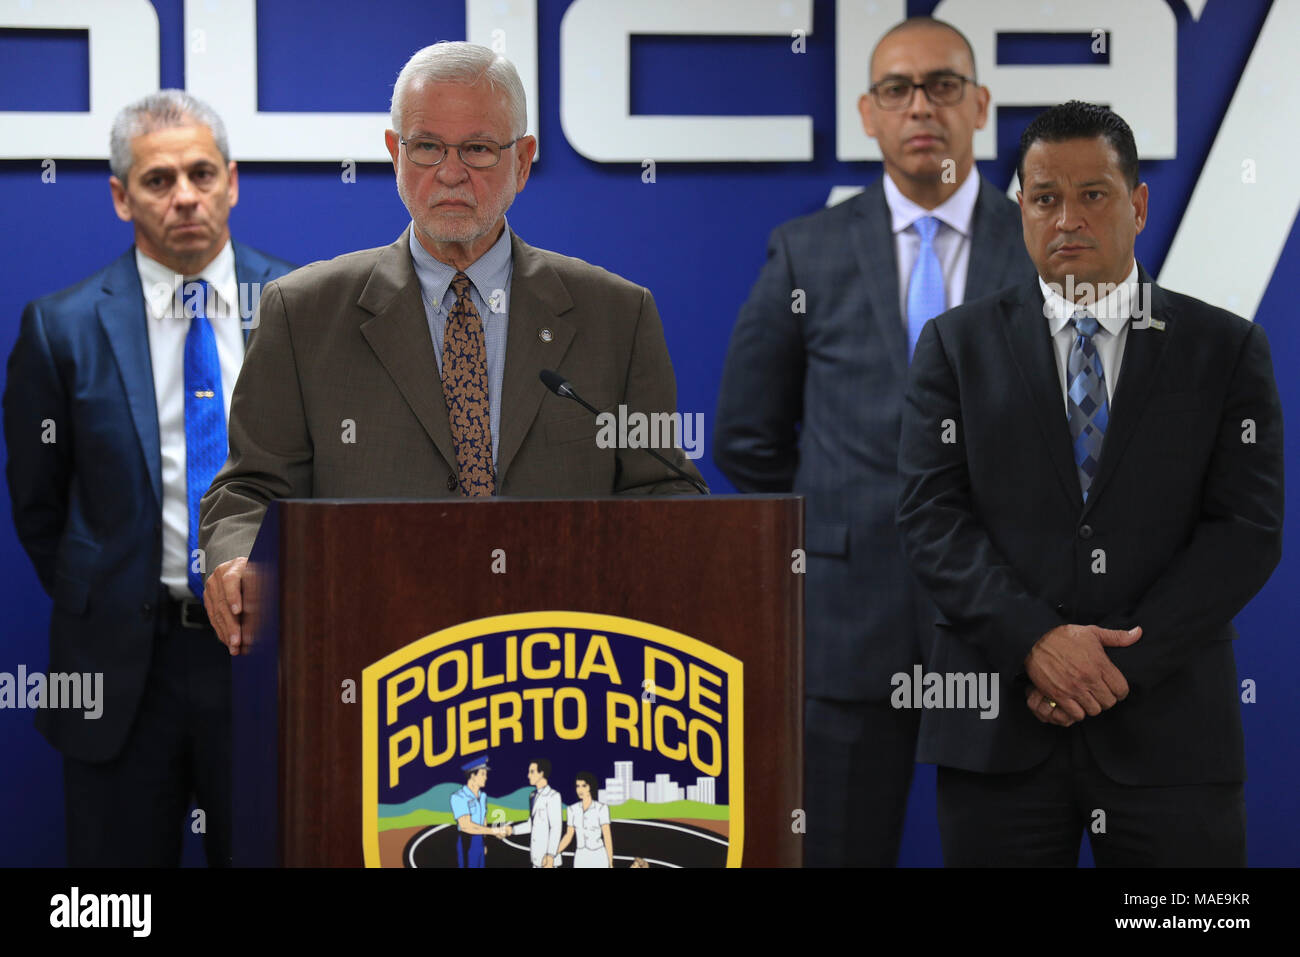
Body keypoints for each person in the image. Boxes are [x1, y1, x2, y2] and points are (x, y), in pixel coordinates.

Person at [199, 41, 703, 647]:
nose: (450, 171)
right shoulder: (302, 312)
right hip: (369, 648)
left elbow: (662, 489)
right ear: (395, 154)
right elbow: (249, 489)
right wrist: (236, 557)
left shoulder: (617, 316)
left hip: (559, 655)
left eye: (478, 149)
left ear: (523, 161)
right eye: (427, 147)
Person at [896, 100, 1284, 866]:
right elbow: (930, 518)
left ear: (1138, 204)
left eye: (1093, 194)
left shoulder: (1225, 348)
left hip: (1172, 736)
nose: (1067, 218)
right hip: (999, 732)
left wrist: (1108, 670)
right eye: (1045, 198)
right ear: (1021, 210)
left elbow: (1246, 532)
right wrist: (1034, 643)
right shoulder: (954, 346)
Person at [712, 16, 1035, 867]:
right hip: (848, 625)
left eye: (943, 85)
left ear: (981, 105)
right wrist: (838, 524)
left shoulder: (1041, 244)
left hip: (1009, 620)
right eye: (897, 89)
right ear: (868, 112)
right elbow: (746, 437)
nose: (920, 106)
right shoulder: (807, 251)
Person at [2, 90, 294, 866]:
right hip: (122, 667)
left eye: (201, 173)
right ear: (120, 196)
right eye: (158, 180)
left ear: (233, 181)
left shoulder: (302, 307)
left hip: (270, 656)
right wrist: (108, 592)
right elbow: (39, 506)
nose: (185, 196)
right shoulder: (60, 327)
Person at [499, 758, 563, 868]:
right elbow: (531, 825)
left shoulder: (553, 796)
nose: (528, 775)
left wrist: (551, 855)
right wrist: (512, 830)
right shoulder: (533, 795)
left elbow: (556, 828)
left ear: (541, 773)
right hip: (537, 858)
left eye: (532, 772)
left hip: (548, 861)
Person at [555, 771, 614, 868]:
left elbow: (607, 837)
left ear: (590, 787)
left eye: (584, 786)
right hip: (580, 856)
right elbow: (568, 835)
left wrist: (610, 862)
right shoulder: (572, 809)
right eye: (577, 786)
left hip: (598, 855)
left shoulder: (602, 808)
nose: (580, 789)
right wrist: (554, 853)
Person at [450, 756, 499, 868]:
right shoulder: (459, 797)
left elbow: (484, 819)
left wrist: (484, 843)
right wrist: (493, 831)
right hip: (467, 841)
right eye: (483, 774)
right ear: (472, 776)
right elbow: (465, 826)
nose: (486, 777)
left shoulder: (483, 796)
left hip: (479, 841)